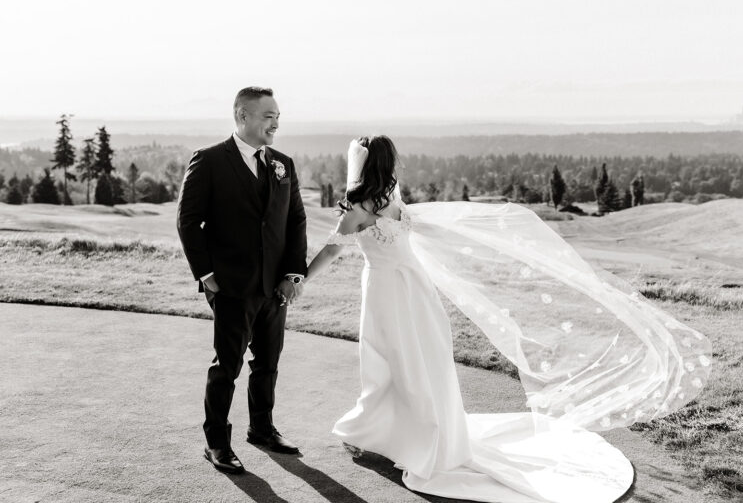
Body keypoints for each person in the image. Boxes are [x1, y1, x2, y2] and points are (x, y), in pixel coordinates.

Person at [304, 136, 711, 502]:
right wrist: (300, 278)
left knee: (407, 361)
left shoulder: (384, 202)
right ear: (385, 164)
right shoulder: (377, 204)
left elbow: (336, 251)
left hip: (405, 292)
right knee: (398, 361)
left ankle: (398, 433)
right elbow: (332, 251)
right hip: (396, 291)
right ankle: (390, 431)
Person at [177, 86, 307, 474]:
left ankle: (262, 429)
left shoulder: (283, 163)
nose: (276, 124)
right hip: (231, 285)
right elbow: (188, 221)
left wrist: (292, 274)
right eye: (269, 116)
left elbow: (295, 220)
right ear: (242, 116)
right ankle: (217, 442)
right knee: (227, 366)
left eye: (278, 117)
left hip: (275, 288)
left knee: (268, 362)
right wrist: (207, 274)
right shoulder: (211, 160)